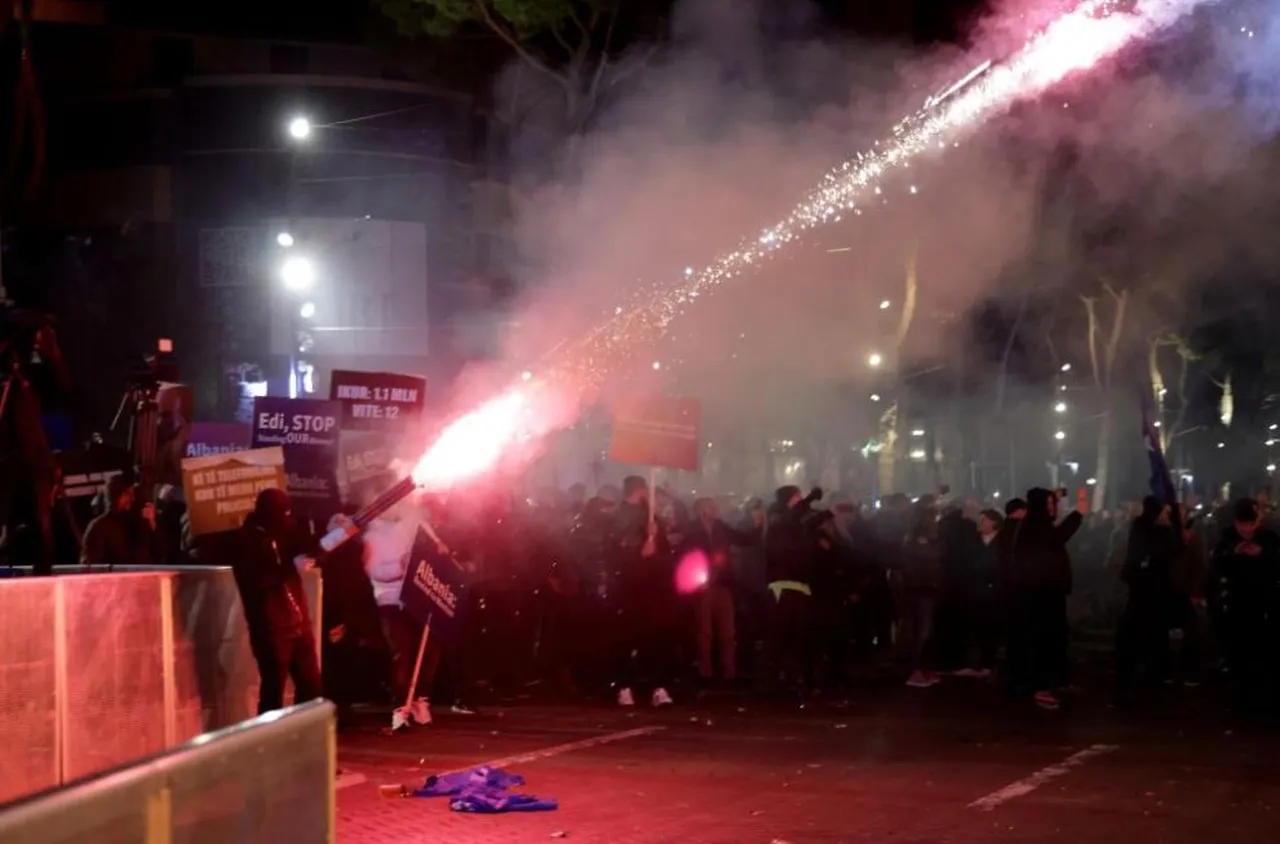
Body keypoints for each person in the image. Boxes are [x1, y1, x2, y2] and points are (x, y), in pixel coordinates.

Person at [230, 488, 322, 715]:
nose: (288, 517)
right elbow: (257, 581)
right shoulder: (247, 540)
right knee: (273, 691)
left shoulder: (284, 532)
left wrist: (334, 533)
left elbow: (310, 548)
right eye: (283, 512)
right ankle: (268, 742)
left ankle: (302, 735)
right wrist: (291, 568)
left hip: (298, 624)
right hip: (271, 629)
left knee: (311, 686)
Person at [1002, 488, 1081, 710]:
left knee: (1057, 638)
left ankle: (1057, 681)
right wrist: (1076, 515)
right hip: (1037, 595)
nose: (1052, 508)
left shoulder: (1038, 526)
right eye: (1048, 504)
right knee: (1041, 641)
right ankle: (1040, 687)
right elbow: (1057, 539)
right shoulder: (1033, 528)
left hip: (1049, 593)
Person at [682, 496, 762, 685]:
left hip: (723, 584)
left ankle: (729, 672)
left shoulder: (722, 528)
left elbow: (745, 539)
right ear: (702, 511)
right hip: (702, 587)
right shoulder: (691, 531)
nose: (717, 509)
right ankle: (705, 672)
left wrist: (758, 525)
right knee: (705, 631)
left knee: (727, 631)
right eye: (712, 507)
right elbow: (685, 557)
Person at [1210, 498, 1280, 715]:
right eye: (1243, 526)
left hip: (1264, 605)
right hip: (1236, 606)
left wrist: (1262, 554)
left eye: (1251, 525)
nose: (1247, 530)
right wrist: (1233, 553)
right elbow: (1216, 566)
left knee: (1263, 653)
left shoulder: (1269, 539)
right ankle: (1241, 698)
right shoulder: (1226, 539)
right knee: (1238, 653)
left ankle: (1262, 698)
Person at [613, 475, 678, 708]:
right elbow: (618, 551)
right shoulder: (620, 516)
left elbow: (663, 551)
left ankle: (657, 687)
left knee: (655, 638)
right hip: (631, 588)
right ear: (638, 490)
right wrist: (642, 549)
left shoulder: (652, 517)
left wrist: (657, 539)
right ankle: (624, 686)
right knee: (630, 639)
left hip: (654, 587)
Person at [1115, 496, 1180, 701]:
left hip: (1145, 591)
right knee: (1147, 634)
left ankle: (1137, 675)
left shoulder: (1141, 531)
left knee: (1139, 634)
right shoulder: (1157, 534)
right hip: (1150, 592)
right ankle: (1147, 675)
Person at [764, 485, 823, 695]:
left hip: (800, 585)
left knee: (797, 637)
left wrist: (827, 514)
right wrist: (808, 501)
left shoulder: (797, 523)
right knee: (779, 635)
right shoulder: (777, 517)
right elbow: (787, 522)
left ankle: (791, 678)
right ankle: (771, 680)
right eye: (797, 496)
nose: (800, 500)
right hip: (782, 585)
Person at [80, 475, 157, 568]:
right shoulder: (99, 527)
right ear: (118, 495)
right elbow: (90, 564)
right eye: (129, 494)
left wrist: (152, 524)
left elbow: (159, 553)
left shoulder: (136, 523)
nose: (132, 499)